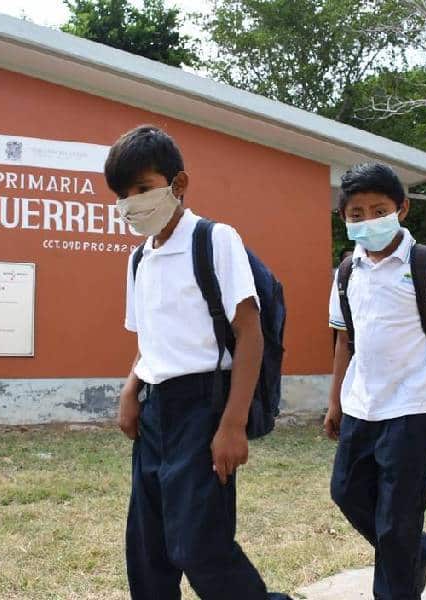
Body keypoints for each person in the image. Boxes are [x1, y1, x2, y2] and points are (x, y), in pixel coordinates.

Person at [106, 125, 291, 600]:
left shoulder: (213, 239)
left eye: (142, 189)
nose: (131, 203)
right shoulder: (138, 260)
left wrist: (231, 424)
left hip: (204, 404)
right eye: (123, 195)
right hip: (155, 410)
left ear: (178, 184)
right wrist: (131, 391)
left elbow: (250, 332)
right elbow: (150, 340)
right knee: (148, 547)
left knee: (198, 545)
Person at [325, 163, 426, 599]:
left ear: (402, 209)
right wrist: (335, 400)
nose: (368, 220)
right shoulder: (347, 272)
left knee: (397, 521)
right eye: (356, 213)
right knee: (346, 492)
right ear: (344, 218)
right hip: (361, 405)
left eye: (379, 209)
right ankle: (418, 551)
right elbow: (344, 341)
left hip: (414, 407)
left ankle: (400, 573)